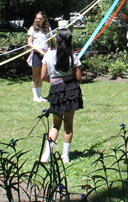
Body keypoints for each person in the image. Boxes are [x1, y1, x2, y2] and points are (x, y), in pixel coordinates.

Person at [40, 28, 83, 163]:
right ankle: (65, 155)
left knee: (55, 124)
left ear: (56, 40)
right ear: (70, 41)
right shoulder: (73, 57)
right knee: (68, 124)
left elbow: (43, 76)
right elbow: (79, 78)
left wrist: (53, 81)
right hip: (71, 90)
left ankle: (46, 155)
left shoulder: (47, 55)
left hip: (56, 91)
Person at [27, 11, 51, 102]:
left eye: (40, 18)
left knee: (41, 75)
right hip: (36, 54)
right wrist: (40, 51)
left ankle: (40, 95)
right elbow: (29, 44)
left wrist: (48, 50)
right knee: (35, 75)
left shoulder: (47, 29)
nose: (38, 20)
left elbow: (49, 43)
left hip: (45, 54)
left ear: (44, 19)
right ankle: (35, 96)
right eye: (37, 18)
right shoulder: (32, 29)